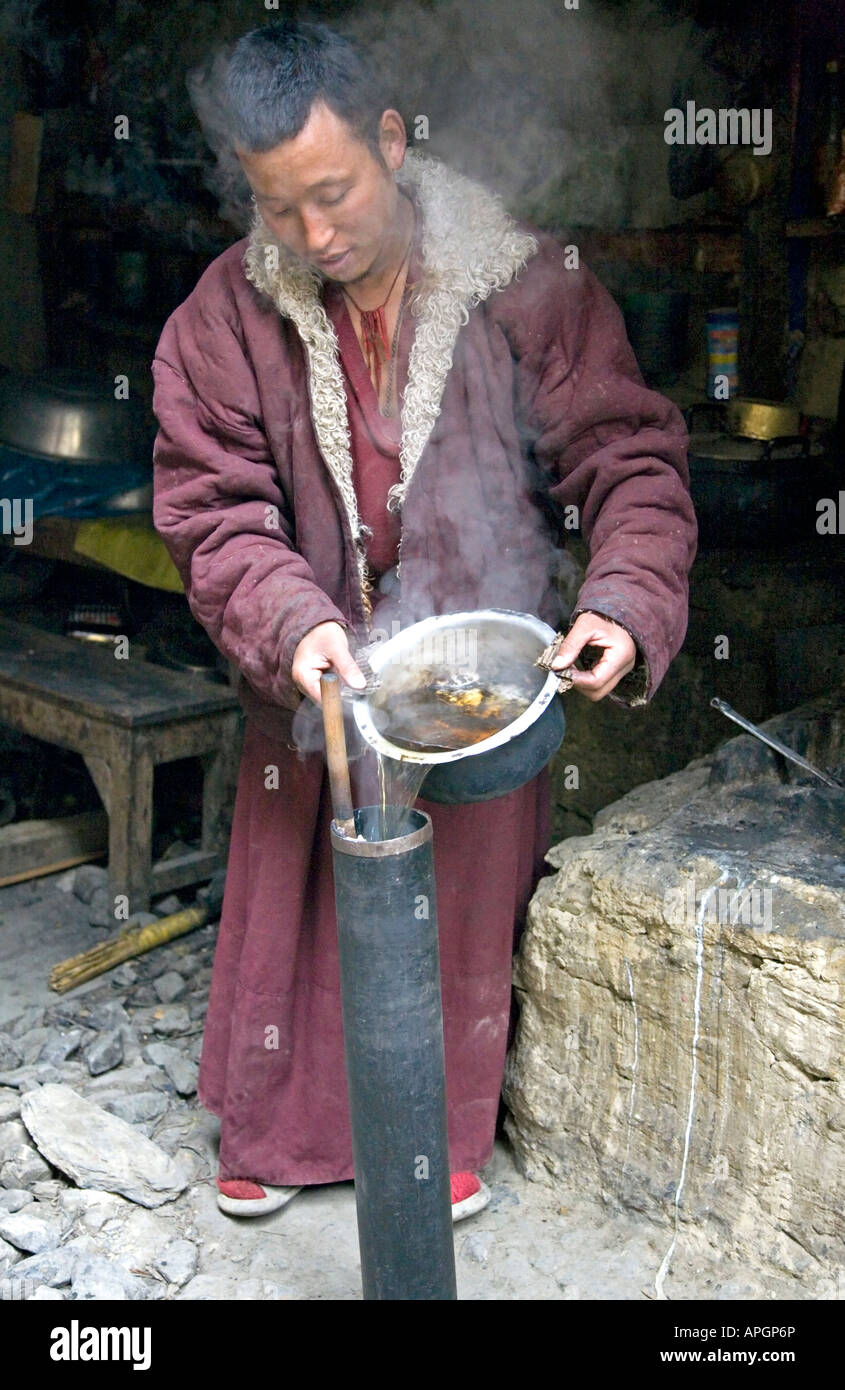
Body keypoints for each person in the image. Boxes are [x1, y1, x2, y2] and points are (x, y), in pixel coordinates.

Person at [151, 20, 697, 1222]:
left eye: (334, 196)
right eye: (277, 208)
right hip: (320, 679)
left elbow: (628, 459)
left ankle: (433, 1136)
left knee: (455, 895)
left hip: (476, 681)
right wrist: (290, 620)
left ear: (391, 143)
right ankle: (286, 1128)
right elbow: (211, 506)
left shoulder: (524, 283)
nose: (313, 237)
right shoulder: (224, 313)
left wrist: (622, 598)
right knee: (303, 899)